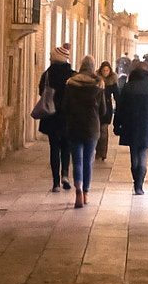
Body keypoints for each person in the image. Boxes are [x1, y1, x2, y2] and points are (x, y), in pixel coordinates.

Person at [114, 60, 148, 195]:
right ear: (147, 72)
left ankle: (136, 182)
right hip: (147, 127)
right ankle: (140, 185)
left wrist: (116, 125)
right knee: (143, 155)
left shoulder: (127, 87)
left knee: (134, 156)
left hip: (130, 126)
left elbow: (120, 108)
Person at [61, 56, 104, 208]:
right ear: (93, 68)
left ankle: (78, 189)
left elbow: (64, 106)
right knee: (88, 161)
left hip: (74, 126)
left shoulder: (71, 84)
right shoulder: (99, 85)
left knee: (77, 161)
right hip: (92, 127)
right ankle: (86, 193)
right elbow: (103, 110)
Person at [38, 44, 74, 191]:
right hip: (68, 116)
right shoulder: (72, 75)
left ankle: (56, 183)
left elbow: (41, 92)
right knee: (66, 147)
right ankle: (65, 174)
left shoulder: (47, 74)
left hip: (51, 116)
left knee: (54, 148)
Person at [95, 62, 117, 161]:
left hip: (107, 109)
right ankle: (97, 151)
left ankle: (103, 153)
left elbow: (117, 95)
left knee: (104, 131)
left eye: (107, 70)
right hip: (96, 108)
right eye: (104, 70)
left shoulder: (112, 81)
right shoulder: (96, 80)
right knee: (97, 131)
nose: (105, 72)